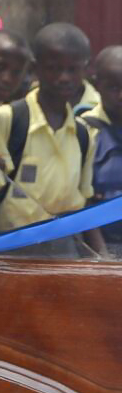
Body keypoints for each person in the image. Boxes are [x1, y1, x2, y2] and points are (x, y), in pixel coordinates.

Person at [0, 23, 95, 252]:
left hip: (65, 247)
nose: (64, 78)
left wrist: (101, 256)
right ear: (35, 69)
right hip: (13, 244)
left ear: (85, 70)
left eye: (73, 69)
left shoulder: (83, 134)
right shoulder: (9, 119)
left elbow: (85, 201)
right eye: (54, 68)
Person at [81, 46, 122, 255]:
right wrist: (102, 256)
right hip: (100, 247)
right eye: (114, 88)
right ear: (97, 85)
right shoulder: (84, 130)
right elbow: (82, 201)